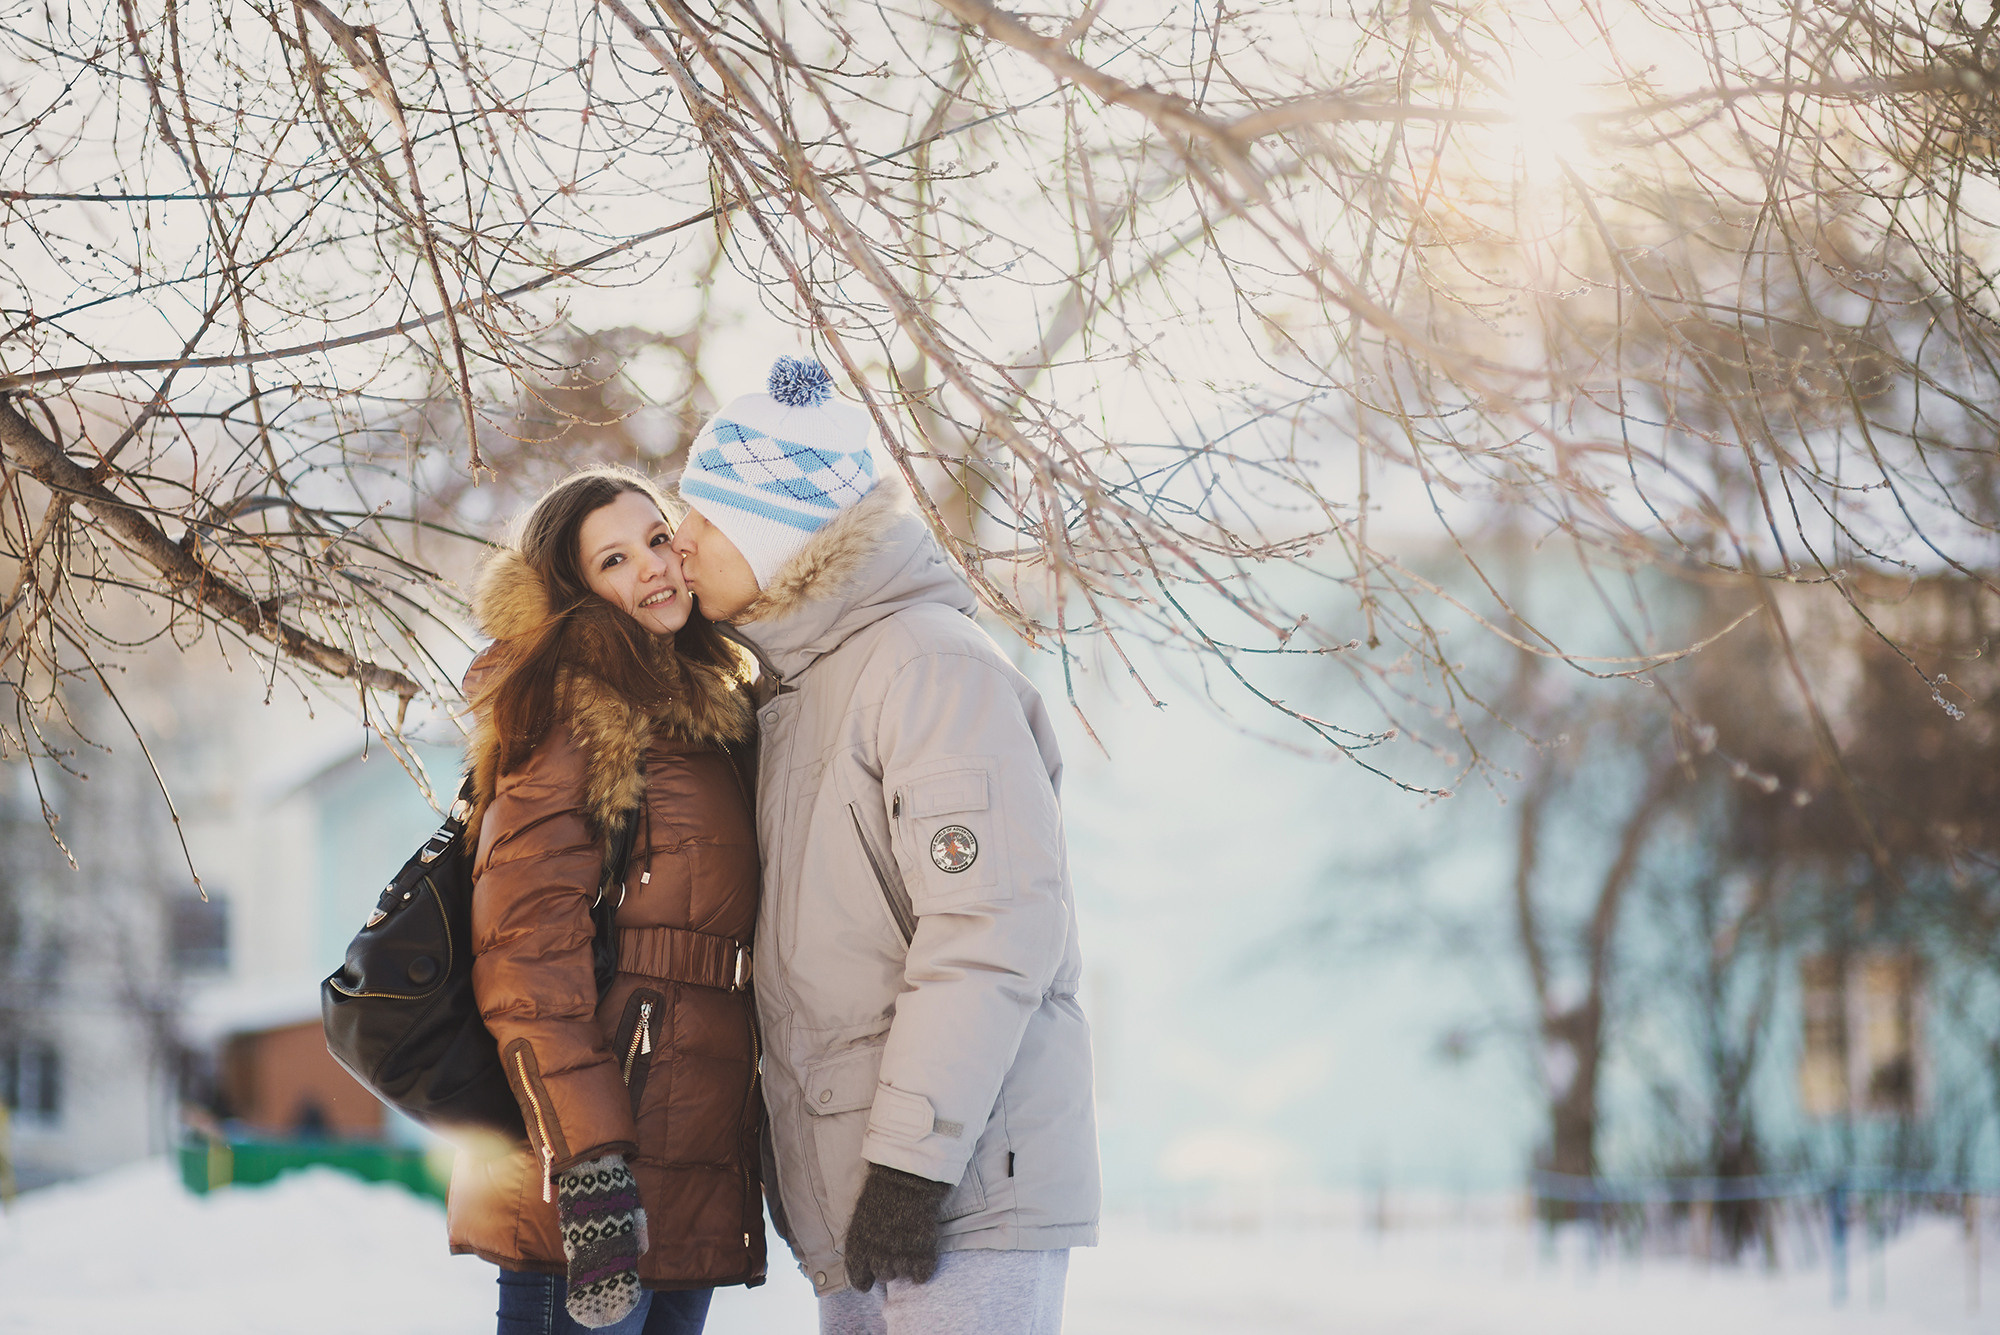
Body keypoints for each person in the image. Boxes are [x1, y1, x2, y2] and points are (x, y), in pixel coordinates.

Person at [671, 357, 1100, 1335]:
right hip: (871, 1193)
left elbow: (990, 924)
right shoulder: (801, 689)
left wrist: (911, 1164)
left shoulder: (926, 666)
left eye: (707, 516)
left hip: (954, 1192)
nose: (680, 540)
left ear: (778, 534)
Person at [449, 465, 766, 1335]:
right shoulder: (572, 705)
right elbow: (525, 949)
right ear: (574, 591)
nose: (653, 568)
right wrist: (586, 1163)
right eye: (616, 560)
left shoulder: (707, 705)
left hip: (686, 1153)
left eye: (658, 538)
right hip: (591, 1173)